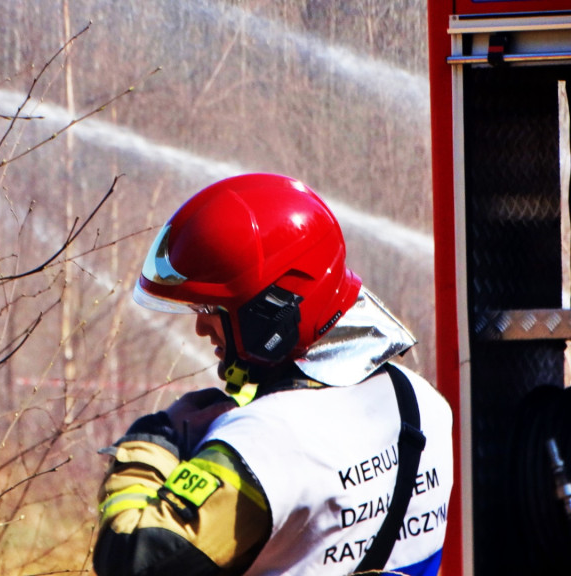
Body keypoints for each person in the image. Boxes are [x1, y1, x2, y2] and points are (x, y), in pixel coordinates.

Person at [94, 173, 453, 576]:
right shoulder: (424, 404)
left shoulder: (263, 444)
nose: (200, 329)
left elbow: (132, 560)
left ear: (269, 316)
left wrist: (154, 440)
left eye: (212, 312)